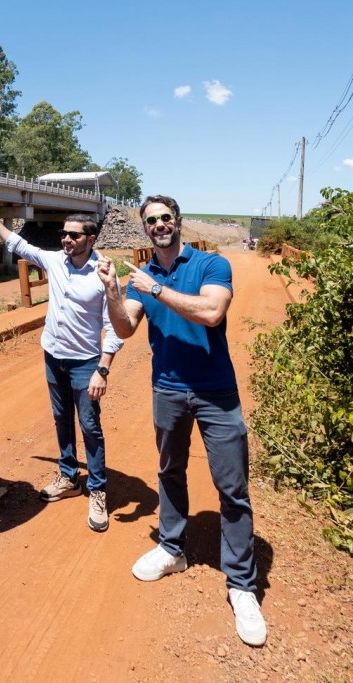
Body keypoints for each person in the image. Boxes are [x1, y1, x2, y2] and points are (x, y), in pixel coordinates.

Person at [96, 195, 267, 647]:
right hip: (167, 389)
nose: (159, 225)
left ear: (178, 221)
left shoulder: (211, 264)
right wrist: (115, 293)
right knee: (169, 470)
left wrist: (155, 289)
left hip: (215, 390)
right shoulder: (141, 278)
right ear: (144, 227)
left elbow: (211, 312)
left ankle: (241, 585)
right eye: (150, 220)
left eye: (165, 217)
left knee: (231, 484)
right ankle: (173, 549)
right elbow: (127, 327)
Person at [0, 197, 123, 533]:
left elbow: (114, 327)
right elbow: (19, 245)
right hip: (53, 356)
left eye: (74, 235)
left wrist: (103, 368)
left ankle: (97, 490)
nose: (66, 239)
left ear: (91, 239)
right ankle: (69, 477)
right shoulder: (55, 260)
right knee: (60, 418)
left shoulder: (104, 275)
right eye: (64, 234)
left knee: (89, 426)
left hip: (85, 363)